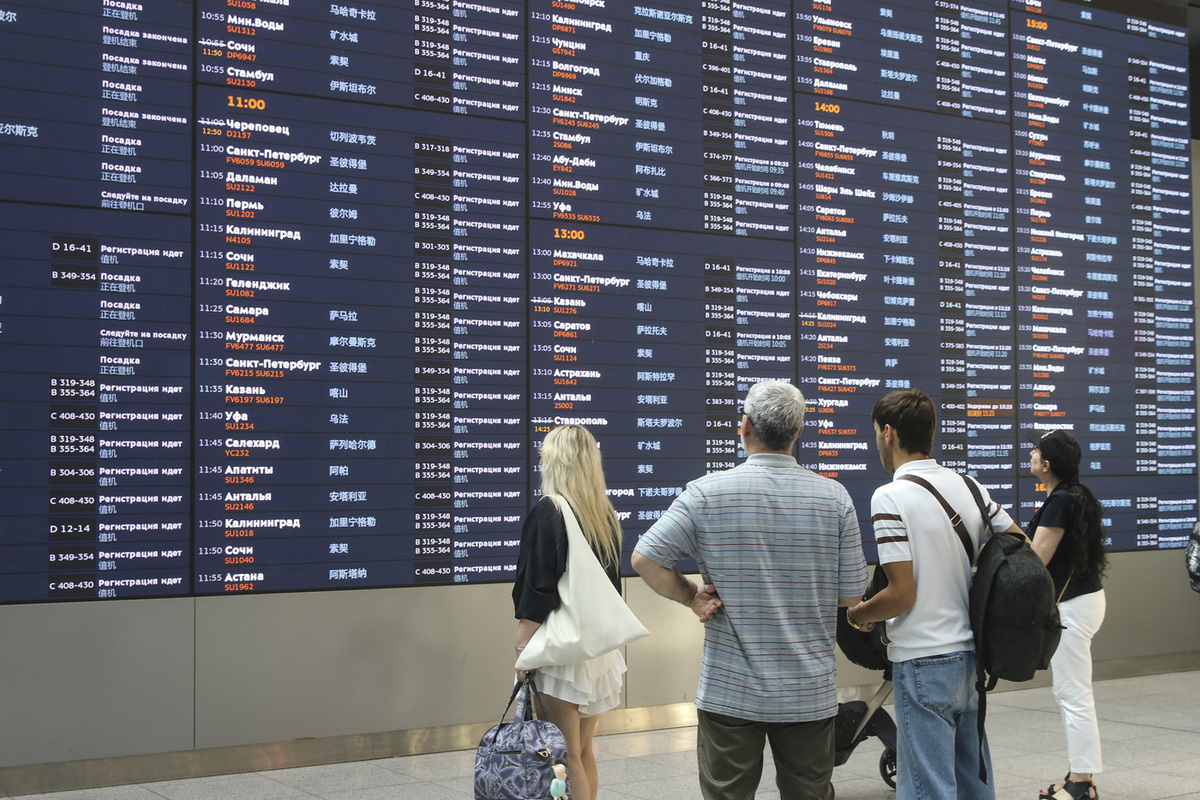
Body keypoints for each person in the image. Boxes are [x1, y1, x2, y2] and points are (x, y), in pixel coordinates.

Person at [632, 380, 868, 800]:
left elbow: (645, 559)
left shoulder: (706, 494)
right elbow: (852, 597)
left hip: (729, 690)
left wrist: (691, 596)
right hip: (808, 692)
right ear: (799, 432)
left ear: (744, 428)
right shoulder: (835, 499)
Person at [846, 389, 1022, 800]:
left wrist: (859, 614)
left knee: (927, 790)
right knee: (973, 784)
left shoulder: (890, 496)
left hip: (922, 661)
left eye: (876, 433)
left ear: (889, 433)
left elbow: (901, 595)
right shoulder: (970, 486)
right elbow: (1021, 545)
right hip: (970, 661)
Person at [512, 425, 626, 800]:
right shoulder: (603, 516)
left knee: (563, 755)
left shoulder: (549, 511)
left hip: (561, 654)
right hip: (597, 652)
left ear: (554, 461)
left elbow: (536, 587)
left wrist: (523, 648)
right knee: (583, 750)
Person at [1026, 430, 1107, 800]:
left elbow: (1037, 559)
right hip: (1083, 601)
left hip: (1071, 606)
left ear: (1047, 464)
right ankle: (1078, 771)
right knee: (1070, 691)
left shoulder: (1060, 500)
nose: (1030, 453)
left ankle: (1081, 782)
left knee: (1074, 694)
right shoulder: (1073, 495)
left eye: (1036, 450)